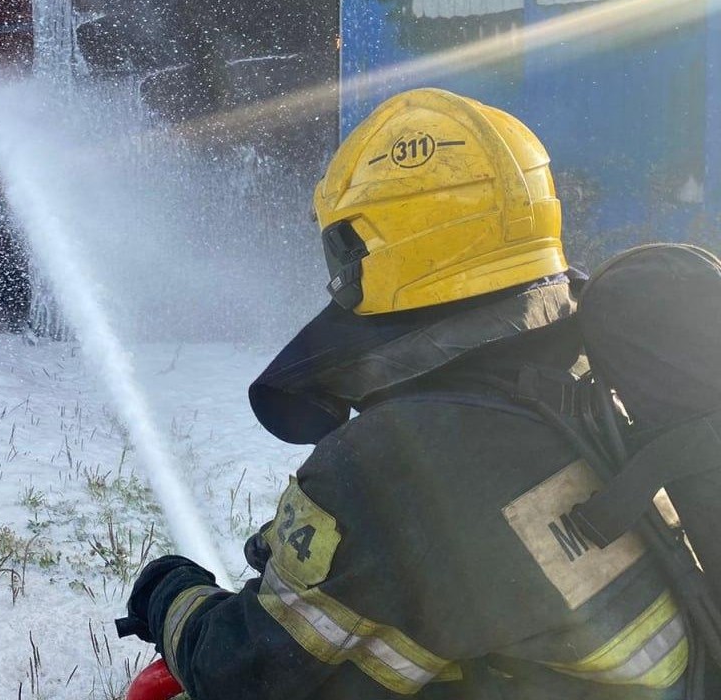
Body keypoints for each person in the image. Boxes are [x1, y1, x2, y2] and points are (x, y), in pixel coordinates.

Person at [123, 88, 691, 699]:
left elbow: (240, 674)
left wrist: (170, 594)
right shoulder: (596, 367)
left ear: (365, 249)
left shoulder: (400, 453)